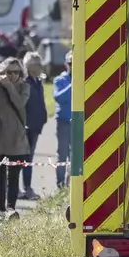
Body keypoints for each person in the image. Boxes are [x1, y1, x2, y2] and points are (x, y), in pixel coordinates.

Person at [0, 57, 30, 214]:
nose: (11, 75)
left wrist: (9, 86)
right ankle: (1, 210)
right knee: (0, 176)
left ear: (21, 73)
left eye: (15, 72)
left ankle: (11, 208)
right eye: (8, 72)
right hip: (1, 139)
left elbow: (19, 104)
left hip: (17, 141)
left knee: (13, 177)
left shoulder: (24, 87)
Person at [19, 52, 46, 200]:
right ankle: (24, 189)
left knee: (28, 159)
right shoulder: (24, 83)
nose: (41, 66)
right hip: (25, 127)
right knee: (23, 159)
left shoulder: (38, 82)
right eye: (38, 64)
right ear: (29, 66)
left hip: (35, 127)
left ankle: (26, 188)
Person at [53, 51, 72, 188]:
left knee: (76, 154)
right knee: (62, 154)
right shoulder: (59, 80)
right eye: (71, 63)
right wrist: (74, 84)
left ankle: (72, 184)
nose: (73, 66)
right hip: (64, 121)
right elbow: (59, 97)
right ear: (66, 64)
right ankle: (60, 184)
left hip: (78, 122)